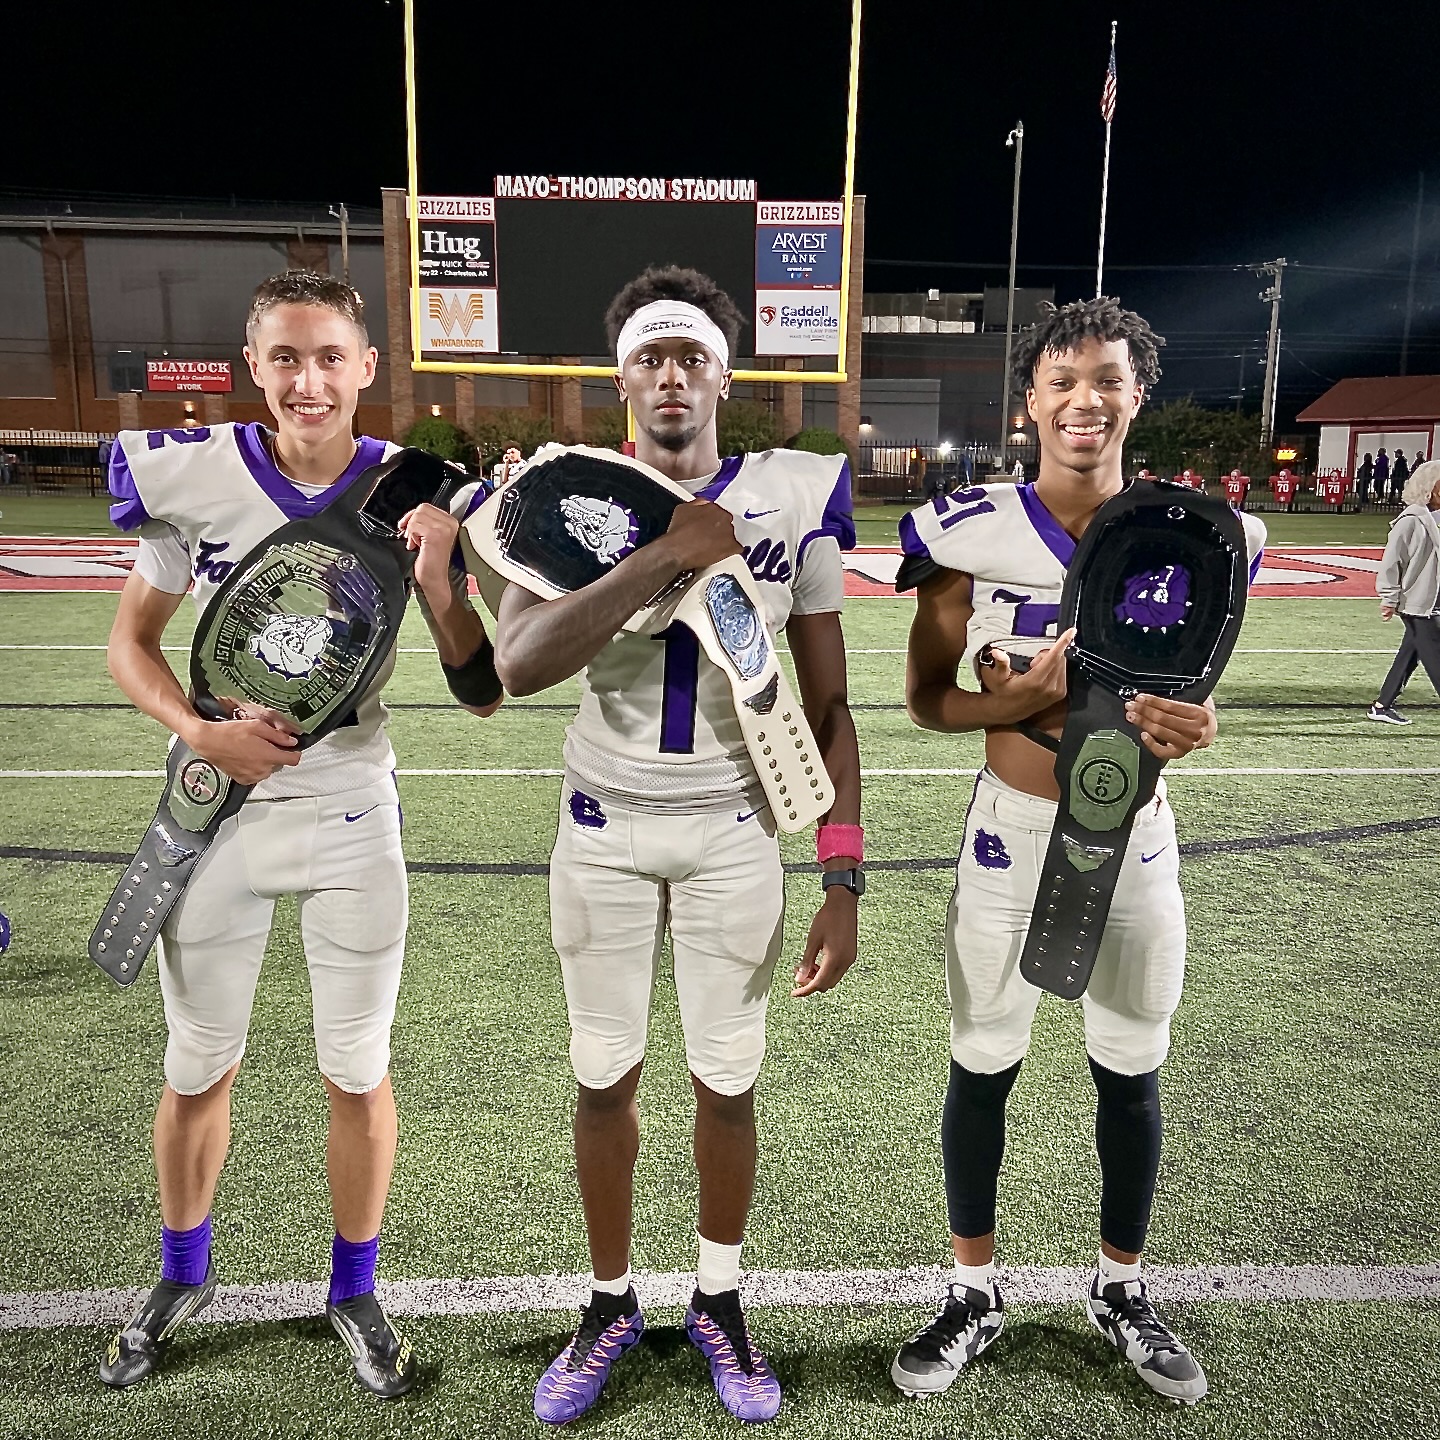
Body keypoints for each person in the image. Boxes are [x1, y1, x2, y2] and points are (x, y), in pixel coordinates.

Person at [98, 270, 502, 1396]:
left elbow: (477, 691)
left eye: (330, 357)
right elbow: (130, 645)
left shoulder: (418, 492)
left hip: (347, 814)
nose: (309, 379)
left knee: (356, 1071)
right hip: (217, 815)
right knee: (196, 1068)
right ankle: (183, 1273)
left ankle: (355, 1288)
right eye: (286, 357)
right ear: (255, 366)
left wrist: (441, 579)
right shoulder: (196, 478)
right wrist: (194, 729)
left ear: (367, 369)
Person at [491, 266, 862, 1426]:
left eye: (690, 356)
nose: (670, 375)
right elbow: (515, 665)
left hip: (736, 828)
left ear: (723, 375)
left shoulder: (794, 496)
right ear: (620, 382)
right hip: (602, 824)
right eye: (649, 357)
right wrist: (666, 554)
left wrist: (843, 872)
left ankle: (717, 1296)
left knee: (728, 1081)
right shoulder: (563, 500)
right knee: (603, 1075)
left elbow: (833, 705)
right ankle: (609, 1302)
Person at [890, 297, 1265, 1406]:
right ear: (1030, 402)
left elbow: (1193, 697)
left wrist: (1205, 728)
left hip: (1136, 835)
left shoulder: (1206, 534)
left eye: (1106, 379)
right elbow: (924, 703)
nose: (1083, 400)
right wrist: (1020, 705)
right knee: (983, 1060)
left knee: (1131, 1065)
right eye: (1062, 381)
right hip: (1009, 836)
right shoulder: (965, 528)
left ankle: (1121, 1289)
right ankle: (972, 1293)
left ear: (1136, 395)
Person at [1367, 459, 1440, 724]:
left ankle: (1381, 705)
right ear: (1429, 487)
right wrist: (1389, 597)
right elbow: (1392, 561)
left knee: (1410, 653)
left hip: (1433, 599)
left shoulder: (1437, 518)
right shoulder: (1410, 521)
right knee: (1436, 656)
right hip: (1417, 602)